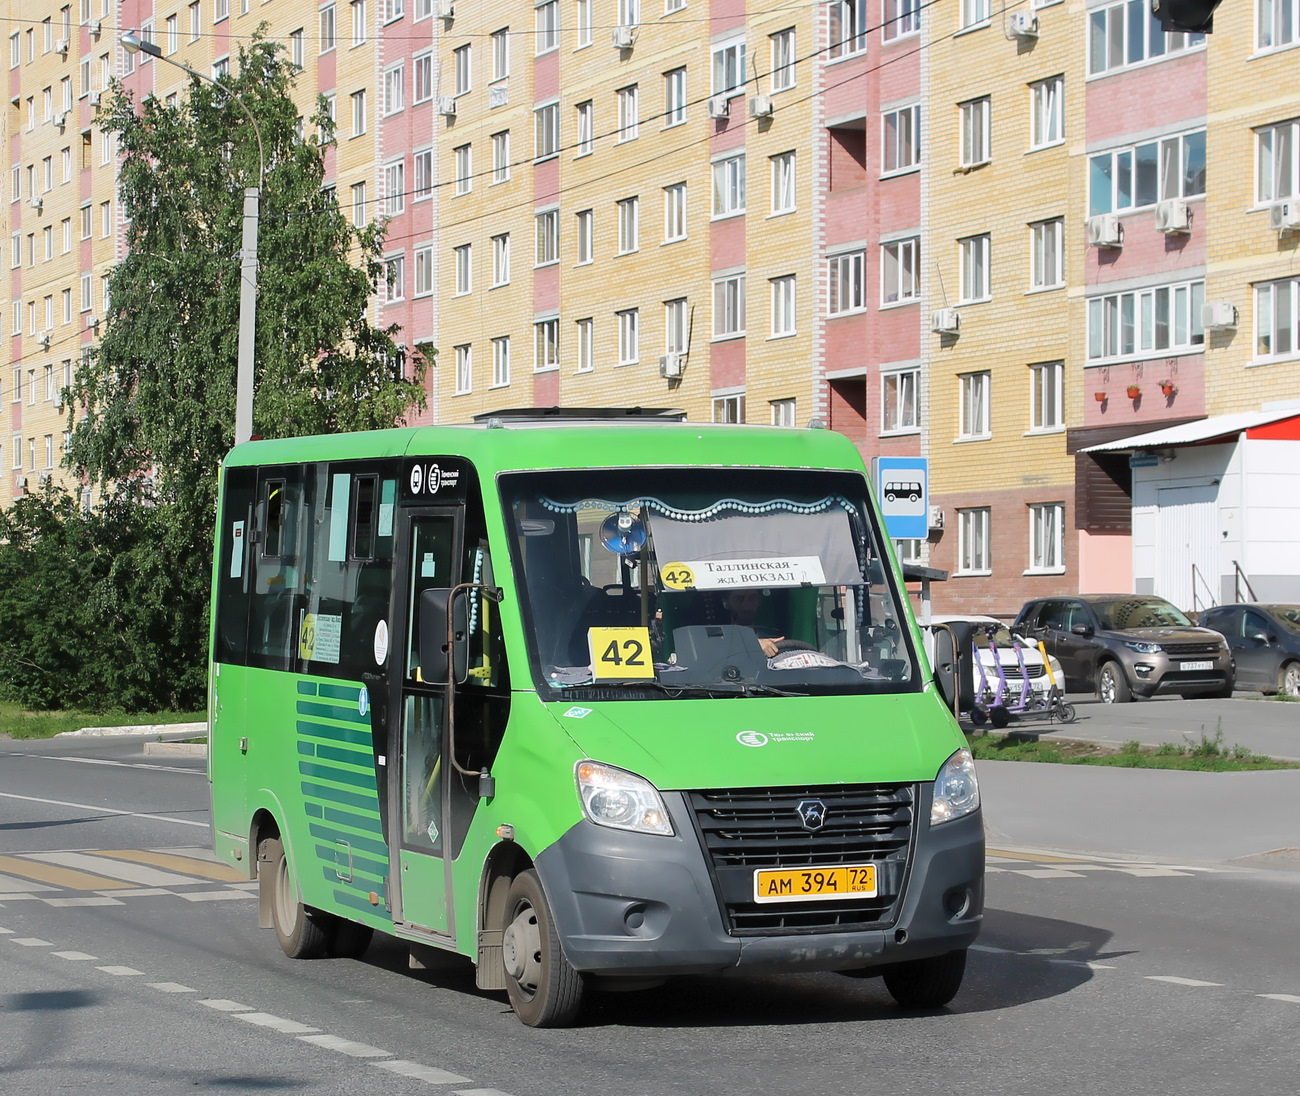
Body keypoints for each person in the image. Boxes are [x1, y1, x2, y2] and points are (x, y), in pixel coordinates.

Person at [722, 589, 784, 658]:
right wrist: (754, 644)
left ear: (759, 601)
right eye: (738, 599)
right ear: (725, 602)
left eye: (752, 598)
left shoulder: (772, 641)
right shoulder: (718, 641)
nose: (746, 606)